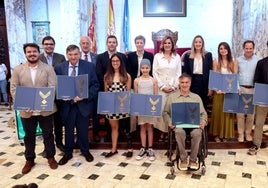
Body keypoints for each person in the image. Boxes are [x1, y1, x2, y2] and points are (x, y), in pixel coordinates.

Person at [10, 43, 58, 174]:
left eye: (34, 51)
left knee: (48, 134)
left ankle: (50, 157)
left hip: (46, 109)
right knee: (29, 136)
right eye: (29, 52)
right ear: (25, 53)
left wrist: (41, 102)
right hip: (27, 111)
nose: (32, 54)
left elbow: (52, 87)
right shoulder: (18, 70)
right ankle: (30, 159)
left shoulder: (48, 69)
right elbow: (14, 89)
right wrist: (24, 103)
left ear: (38, 52)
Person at [55, 45, 99, 165]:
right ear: (67, 55)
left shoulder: (89, 66)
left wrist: (85, 95)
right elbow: (56, 86)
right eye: (70, 55)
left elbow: (95, 85)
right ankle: (68, 153)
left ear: (79, 54)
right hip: (67, 105)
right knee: (68, 131)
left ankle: (85, 151)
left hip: (83, 104)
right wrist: (61, 95)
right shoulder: (59, 68)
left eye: (75, 54)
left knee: (83, 130)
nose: (73, 57)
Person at [162, 73, 207, 170]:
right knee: (179, 132)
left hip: (194, 125)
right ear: (179, 83)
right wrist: (169, 122)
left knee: (197, 133)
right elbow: (165, 113)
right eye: (182, 82)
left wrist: (203, 122)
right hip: (179, 126)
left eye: (187, 82)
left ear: (190, 83)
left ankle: (193, 159)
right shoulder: (172, 97)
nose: (184, 85)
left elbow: (203, 114)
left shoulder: (196, 97)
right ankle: (183, 158)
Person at [152, 35, 181, 142]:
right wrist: (163, 86)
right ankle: (162, 132)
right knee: (162, 110)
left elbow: (179, 73)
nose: (167, 45)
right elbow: (154, 73)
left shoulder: (177, 57)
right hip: (161, 88)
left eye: (169, 43)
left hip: (174, 88)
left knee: (172, 111)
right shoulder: (157, 57)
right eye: (165, 43)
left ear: (172, 45)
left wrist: (173, 86)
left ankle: (171, 132)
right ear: (162, 45)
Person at [40, 36, 66, 152]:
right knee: (46, 122)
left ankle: (59, 143)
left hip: (58, 94)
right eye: (46, 44)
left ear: (54, 45)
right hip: (43, 95)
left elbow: (64, 73)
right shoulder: (38, 58)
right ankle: (48, 146)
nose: (49, 46)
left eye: (51, 44)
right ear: (43, 45)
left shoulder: (61, 57)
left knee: (58, 121)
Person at [103, 53, 132, 158]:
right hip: (111, 107)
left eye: (117, 61)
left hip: (123, 105)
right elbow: (105, 92)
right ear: (111, 63)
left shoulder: (126, 76)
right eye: (113, 61)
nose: (115, 63)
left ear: (121, 62)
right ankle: (113, 149)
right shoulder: (107, 76)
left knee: (126, 128)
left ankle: (130, 148)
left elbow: (128, 93)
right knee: (114, 127)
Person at [209, 42, 238, 142]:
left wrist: (232, 89)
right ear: (219, 50)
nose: (223, 50)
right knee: (218, 112)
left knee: (227, 114)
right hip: (219, 92)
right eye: (221, 48)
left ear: (228, 50)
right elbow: (215, 77)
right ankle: (217, 135)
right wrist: (218, 89)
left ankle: (225, 135)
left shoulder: (234, 61)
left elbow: (235, 77)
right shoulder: (216, 61)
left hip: (229, 92)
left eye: (225, 48)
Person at [134, 59, 158, 161]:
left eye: (147, 68)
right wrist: (136, 110)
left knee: (150, 128)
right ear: (140, 68)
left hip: (150, 108)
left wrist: (155, 109)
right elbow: (136, 96)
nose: (145, 70)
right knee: (142, 128)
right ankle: (143, 147)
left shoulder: (153, 80)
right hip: (141, 108)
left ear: (150, 68)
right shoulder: (136, 80)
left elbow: (156, 96)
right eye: (143, 68)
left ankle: (150, 148)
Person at [247, 41, 268, 155]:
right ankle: (256, 144)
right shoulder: (261, 63)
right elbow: (256, 80)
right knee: (259, 122)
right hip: (263, 96)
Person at [236, 40, 259, 142]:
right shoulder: (238, 60)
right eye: (247, 48)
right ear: (243, 48)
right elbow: (235, 75)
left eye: (250, 48)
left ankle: (248, 133)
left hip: (253, 89)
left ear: (253, 48)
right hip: (241, 89)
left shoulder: (258, 60)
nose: (248, 50)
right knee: (240, 114)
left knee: (251, 114)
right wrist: (237, 87)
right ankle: (240, 134)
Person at [183, 35, 213, 110]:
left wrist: (210, 88)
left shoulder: (208, 55)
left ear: (202, 43)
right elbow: (186, 73)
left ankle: (203, 121)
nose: (198, 44)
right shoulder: (188, 56)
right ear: (193, 44)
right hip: (193, 83)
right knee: (192, 106)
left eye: (200, 42)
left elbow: (211, 72)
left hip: (204, 83)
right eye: (196, 42)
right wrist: (186, 86)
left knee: (203, 106)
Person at [79, 36, 100, 142]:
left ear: (90, 44)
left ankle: (95, 133)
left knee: (95, 112)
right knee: (82, 114)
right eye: (83, 43)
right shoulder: (75, 57)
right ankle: (83, 135)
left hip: (93, 89)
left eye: (87, 43)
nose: (85, 45)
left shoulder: (97, 57)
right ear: (80, 45)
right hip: (80, 90)